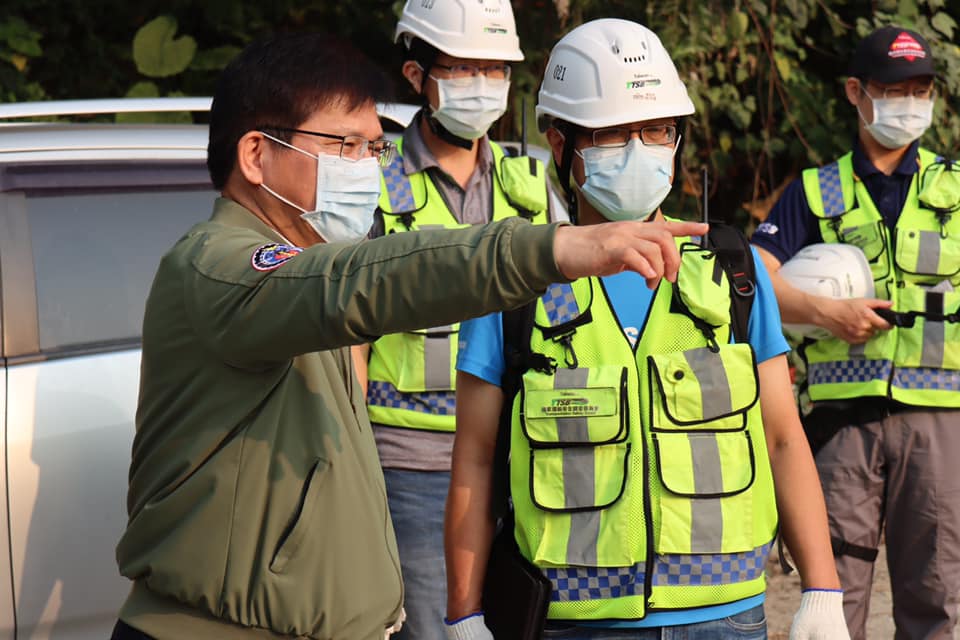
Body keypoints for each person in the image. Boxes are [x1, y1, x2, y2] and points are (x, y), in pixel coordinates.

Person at [111, 31, 709, 640]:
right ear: (256, 155)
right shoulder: (225, 265)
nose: (367, 169)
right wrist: (549, 248)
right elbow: (364, 281)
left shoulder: (299, 274)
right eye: (346, 146)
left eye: (374, 148)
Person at [445, 18, 850, 640]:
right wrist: (464, 613)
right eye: (611, 133)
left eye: (657, 130)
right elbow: (474, 460)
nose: (640, 149)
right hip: (575, 623)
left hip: (726, 619)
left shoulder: (732, 273)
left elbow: (782, 440)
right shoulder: (514, 288)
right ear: (560, 143)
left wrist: (822, 592)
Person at [751, 25, 960, 640]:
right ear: (854, 92)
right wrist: (824, 311)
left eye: (921, 90)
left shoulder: (955, 187)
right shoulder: (814, 192)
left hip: (941, 421)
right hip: (841, 424)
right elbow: (754, 279)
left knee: (939, 596)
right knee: (831, 596)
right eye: (894, 89)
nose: (909, 102)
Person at [354, 2, 550, 638]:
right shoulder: (374, 184)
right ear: (417, 75)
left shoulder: (532, 184)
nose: (482, 84)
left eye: (495, 70)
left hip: (521, 453)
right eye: (463, 68)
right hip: (416, 462)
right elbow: (348, 337)